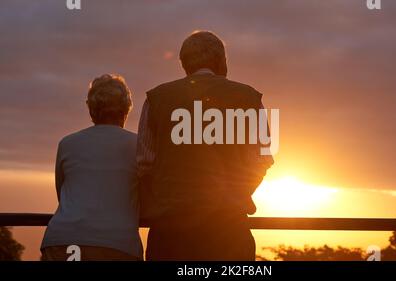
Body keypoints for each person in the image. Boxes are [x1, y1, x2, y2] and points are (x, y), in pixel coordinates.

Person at [137, 31, 273, 260]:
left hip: (171, 232)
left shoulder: (156, 99)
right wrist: (238, 192)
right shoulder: (251, 98)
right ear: (222, 61)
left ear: (184, 64)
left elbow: (144, 165)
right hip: (229, 231)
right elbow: (262, 159)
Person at [41, 74, 143, 261]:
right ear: (126, 110)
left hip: (61, 241)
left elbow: (62, 193)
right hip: (116, 245)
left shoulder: (68, 144)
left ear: (91, 110)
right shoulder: (138, 146)